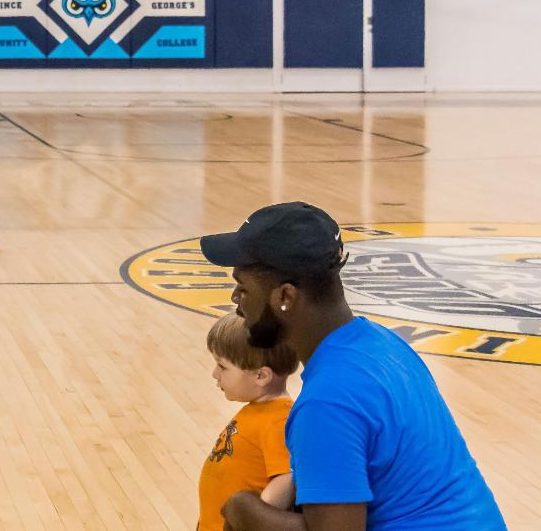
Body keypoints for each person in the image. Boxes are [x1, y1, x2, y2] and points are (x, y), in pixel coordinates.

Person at [204, 202, 507, 531]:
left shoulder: (326, 403)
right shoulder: (384, 344)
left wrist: (242, 509)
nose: (236, 299)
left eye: (243, 288)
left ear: (285, 297)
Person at [197, 312, 296, 531]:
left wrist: (256, 519)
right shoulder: (258, 410)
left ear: (261, 376)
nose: (215, 374)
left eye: (222, 367)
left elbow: (286, 477)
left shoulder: (279, 419)